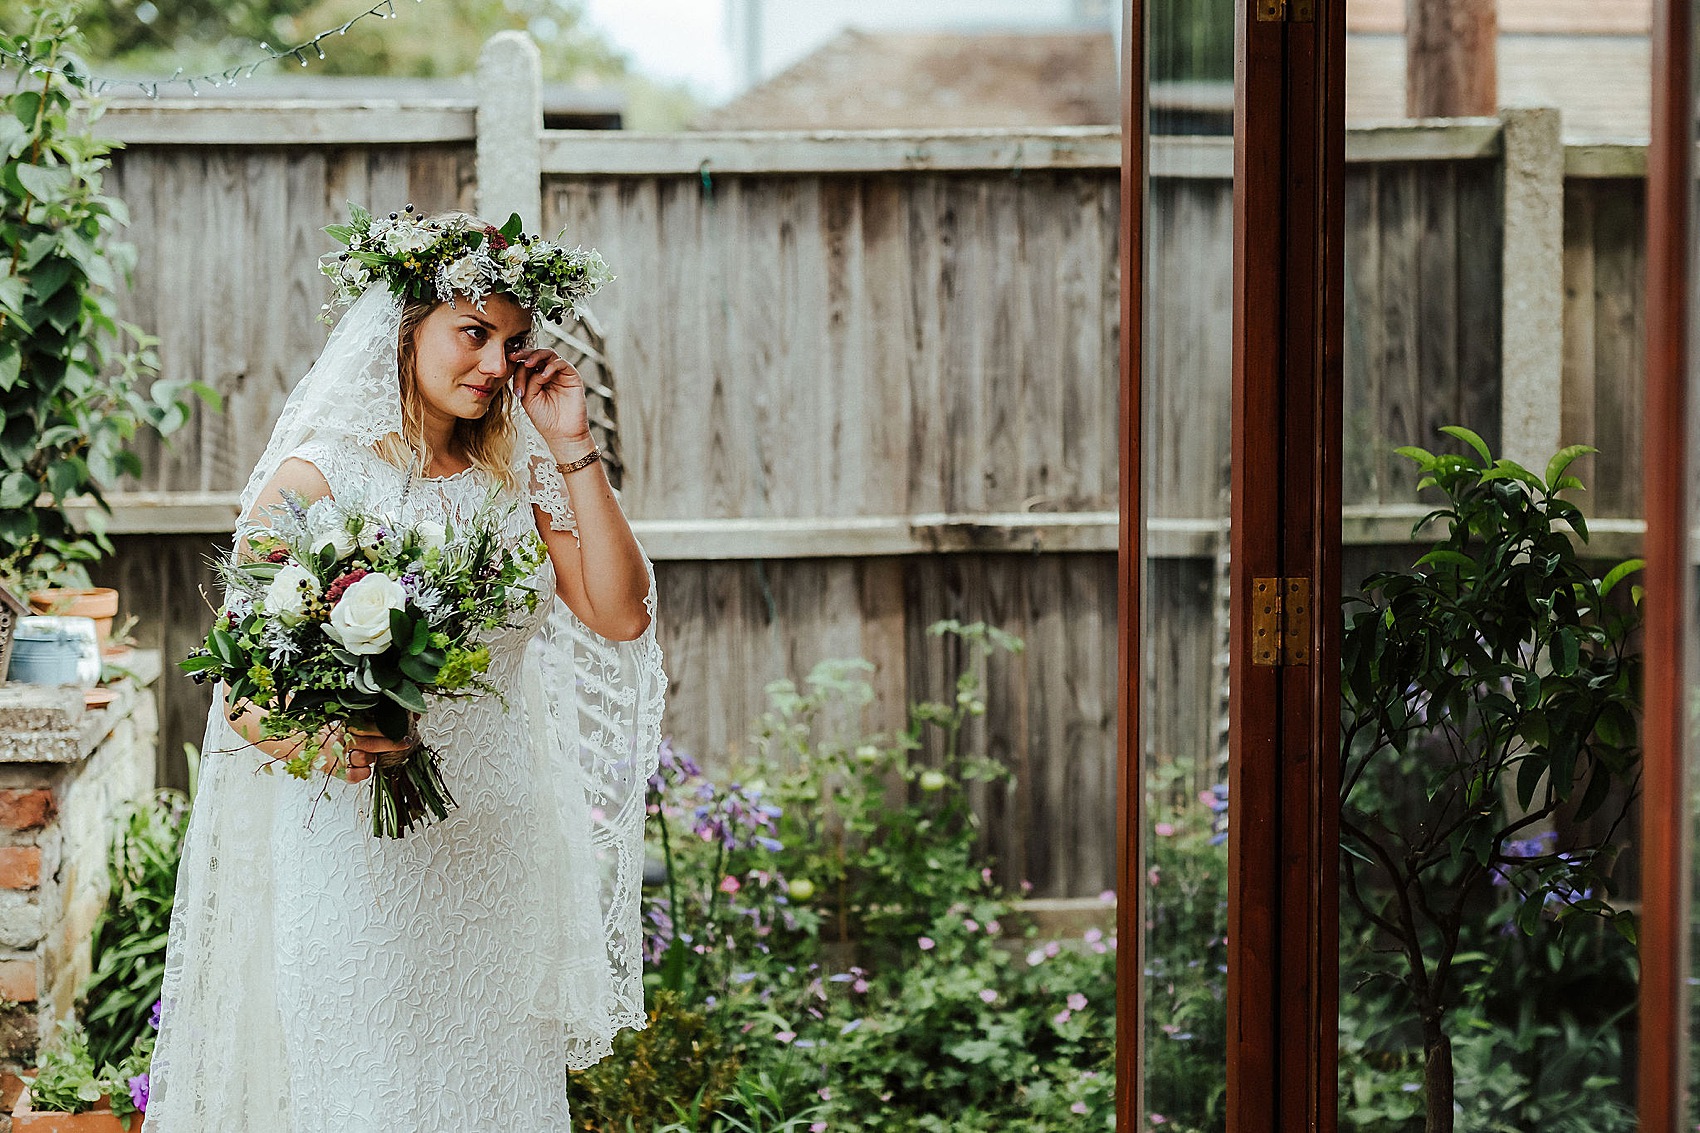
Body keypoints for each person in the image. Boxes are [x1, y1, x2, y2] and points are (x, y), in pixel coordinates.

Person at [145, 207, 666, 1130]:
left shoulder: (519, 478)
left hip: (498, 855)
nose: (496, 364)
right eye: (473, 333)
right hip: (357, 861)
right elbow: (240, 690)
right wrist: (326, 740)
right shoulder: (316, 480)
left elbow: (622, 613)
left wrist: (573, 443)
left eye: (512, 341)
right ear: (405, 328)